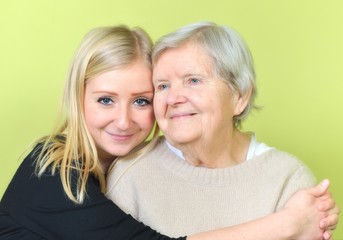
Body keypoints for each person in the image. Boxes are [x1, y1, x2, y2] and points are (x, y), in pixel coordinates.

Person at [0, 24, 338, 240]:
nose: (123, 120)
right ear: (78, 99)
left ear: (240, 95)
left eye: (142, 100)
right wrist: (288, 224)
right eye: (105, 100)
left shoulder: (289, 179)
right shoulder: (53, 170)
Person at [106, 21, 340, 239]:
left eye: (193, 80)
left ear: (239, 95)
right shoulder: (131, 174)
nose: (173, 98)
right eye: (163, 86)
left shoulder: (288, 180)